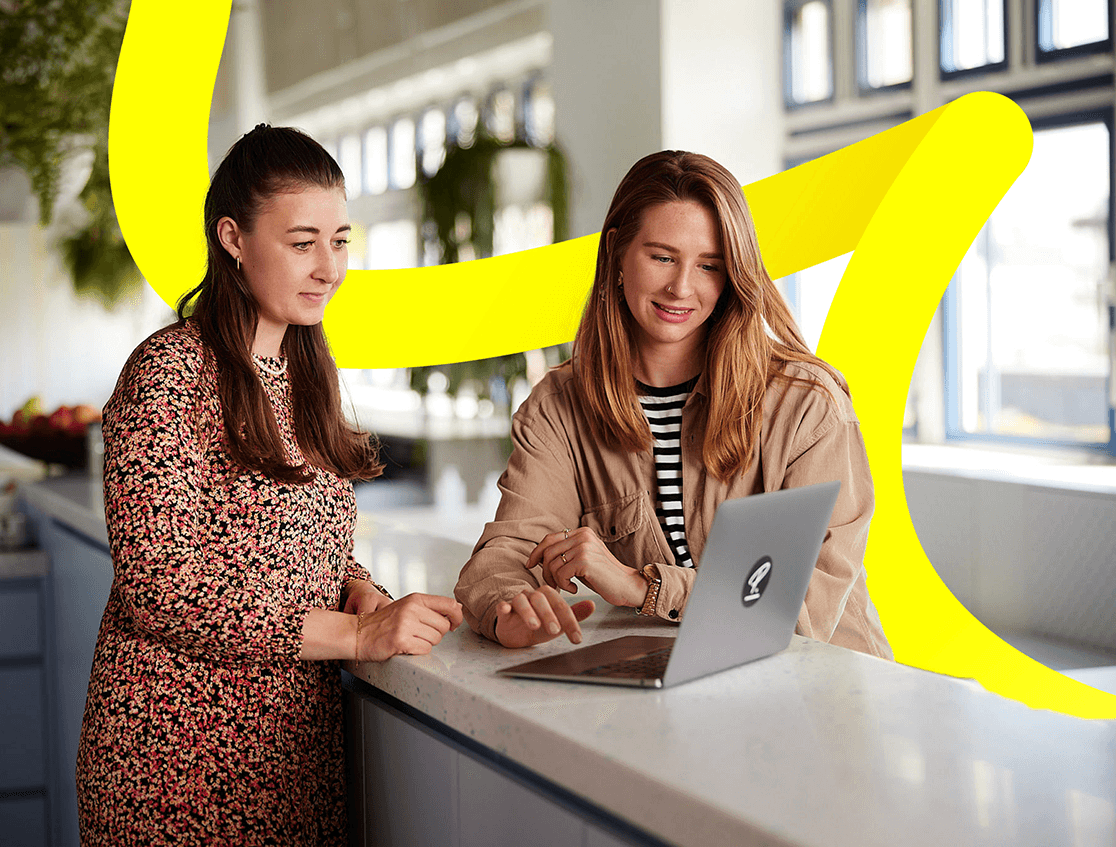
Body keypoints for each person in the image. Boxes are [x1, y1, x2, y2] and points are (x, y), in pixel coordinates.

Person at [76, 125, 464, 846]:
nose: (329, 267)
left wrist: (358, 587)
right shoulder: (168, 373)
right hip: (174, 765)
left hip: (291, 758)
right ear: (232, 237)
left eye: (340, 240)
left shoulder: (304, 372)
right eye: (302, 242)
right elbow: (160, 583)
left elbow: (299, 538)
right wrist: (354, 631)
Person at [454, 150, 891, 660]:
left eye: (709, 266)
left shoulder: (807, 408)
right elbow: (505, 553)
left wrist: (643, 587)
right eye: (662, 257)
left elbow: (801, 608)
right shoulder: (558, 407)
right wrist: (512, 609)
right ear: (617, 253)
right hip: (670, 693)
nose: (681, 287)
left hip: (820, 692)